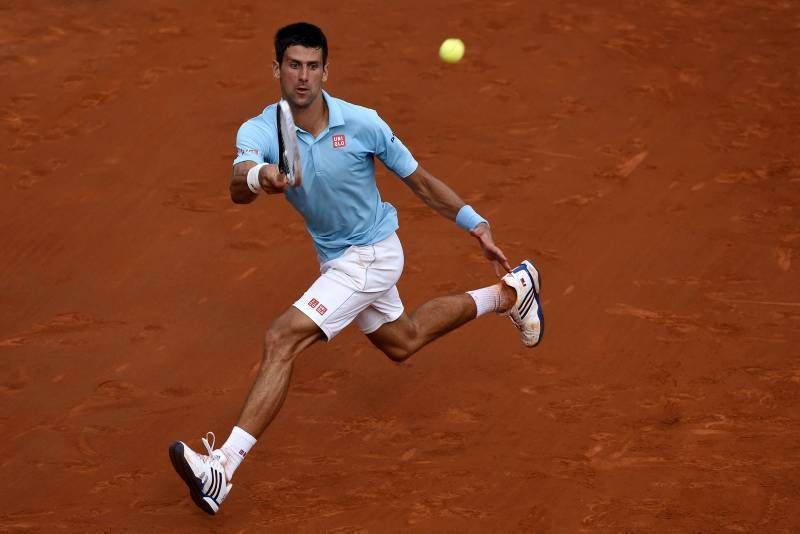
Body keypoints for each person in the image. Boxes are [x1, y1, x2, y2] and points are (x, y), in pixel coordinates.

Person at [168, 22, 543, 515]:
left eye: (312, 66)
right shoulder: (261, 130)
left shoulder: (364, 123)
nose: (303, 77)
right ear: (277, 69)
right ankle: (512, 294)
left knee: (283, 338)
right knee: (401, 340)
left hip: (372, 254)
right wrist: (264, 176)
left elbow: (420, 182)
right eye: (293, 66)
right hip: (338, 258)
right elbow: (238, 183)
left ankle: (223, 468)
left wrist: (477, 224)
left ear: (326, 71)